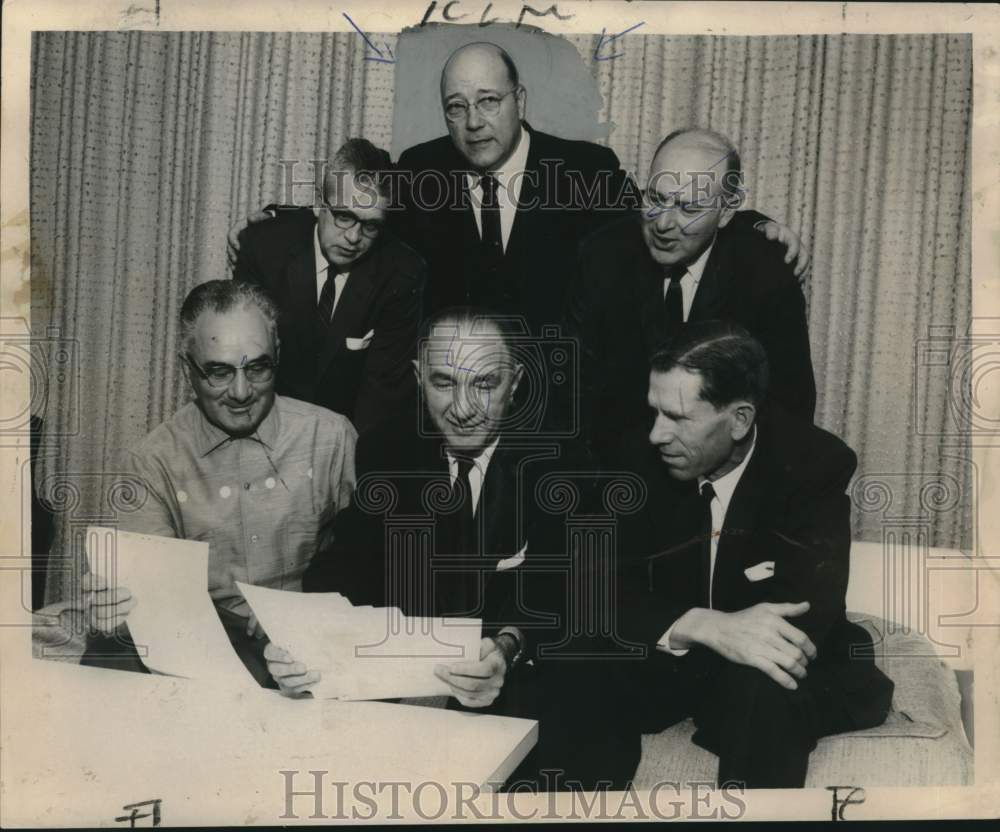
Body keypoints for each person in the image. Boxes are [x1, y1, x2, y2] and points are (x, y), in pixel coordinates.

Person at [267, 306, 639, 790]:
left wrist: (507, 646)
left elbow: (569, 590)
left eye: (485, 384)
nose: (462, 407)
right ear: (419, 378)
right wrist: (304, 635)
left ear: (516, 381)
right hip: (416, 676)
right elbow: (347, 563)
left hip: (532, 680)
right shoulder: (388, 449)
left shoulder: (563, 462)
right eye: (443, 382)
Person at [227, 44, 810, 336]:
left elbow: (665, 212)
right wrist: (283, 218)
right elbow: (358, 208)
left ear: (519, 101)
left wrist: (756, 223)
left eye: (488, 102)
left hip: (557, 402)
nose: (473, 121)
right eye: (457, 108)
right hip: (455, 402)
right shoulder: (421, 167)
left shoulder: (584, 167)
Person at [613, 320, 893, 788]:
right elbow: (595, 585)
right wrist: (704, 625)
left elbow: (806, 612)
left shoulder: (812, 465)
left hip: (772, 670)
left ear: (739, 420)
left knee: (768, 675)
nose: (656, 435)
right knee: (576, 666)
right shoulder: (636, 460)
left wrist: (731, 639)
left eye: (678, 418)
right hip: (676, 657)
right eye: (654, 412)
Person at [81, 280, 357, 684]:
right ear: (187, 369)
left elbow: (363, 568)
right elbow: (149, 605)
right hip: (201, 642)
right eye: (219, 372)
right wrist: (115, 608)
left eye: (258, 367)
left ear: (277, 356)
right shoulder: (152, 461)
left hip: (309, 637)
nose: (242, 392)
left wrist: (304, 618)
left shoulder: (332, 438)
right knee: (105, 667)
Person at [566, 128, 818, 463]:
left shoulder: (765, 275)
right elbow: (573, 388)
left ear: (726, 212)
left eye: (688, 208)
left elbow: (789, 409)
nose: (664, 224)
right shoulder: (603, 256)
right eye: (655, 198)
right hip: (618, 473)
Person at [233, 139, 425, 436]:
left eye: (370, 225)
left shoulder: (402, 274)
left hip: (344, 439)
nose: (353, 237)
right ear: (319, 203)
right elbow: (245, 364)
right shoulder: (263, 249)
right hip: (263, 427)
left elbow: (381, 395)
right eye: (344, 216)